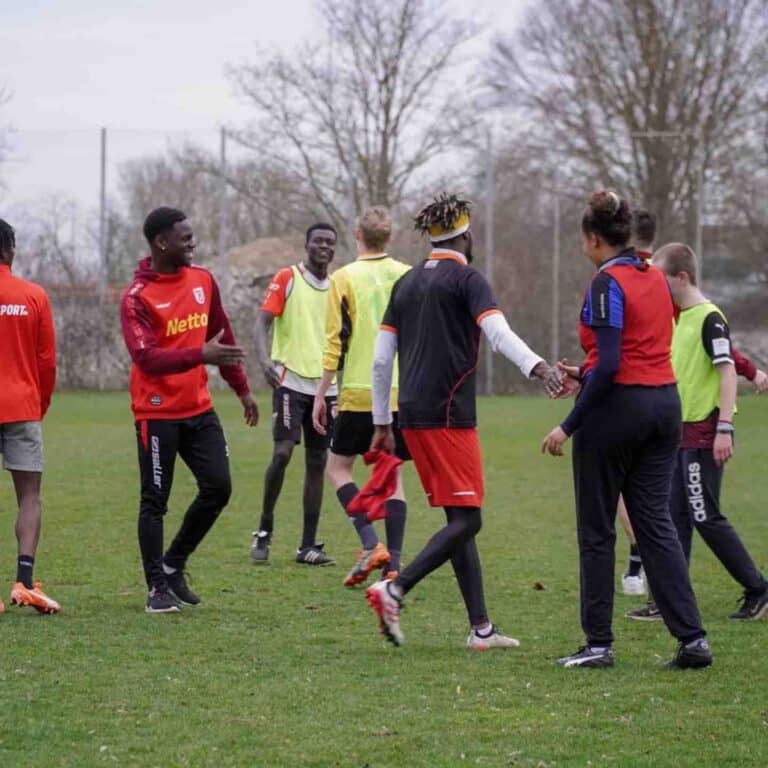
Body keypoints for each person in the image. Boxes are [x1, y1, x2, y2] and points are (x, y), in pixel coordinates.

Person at [365, 194, 561, 650]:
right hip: (450, 416)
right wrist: (539, 368)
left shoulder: (407, 283)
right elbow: (497, 333)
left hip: (410, 414)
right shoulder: (469, 279)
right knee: (469, 520)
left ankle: (481, 630)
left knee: (458, 514)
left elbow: (380, 361)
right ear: (467, 235)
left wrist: (381, 419)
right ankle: (394, 588)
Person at [542, 191, 711, 669]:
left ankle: (598, 644)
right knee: (656, 525)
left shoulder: (604, 283)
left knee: (597, 531)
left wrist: (568, 424)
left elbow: (614, 362)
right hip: (664, 406)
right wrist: (583, 373)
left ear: (593, 239)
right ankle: (693, 638)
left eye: (582, 238)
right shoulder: (654, 276)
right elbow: (636, 348)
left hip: (617, 411)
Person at [619, 210, 767, 598]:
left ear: (681, 278)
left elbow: (727, 370)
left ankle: (758, 588)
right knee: (675, 519)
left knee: (706, 517)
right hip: (679, 436)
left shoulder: (708, 318)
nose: (657, 286)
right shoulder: (678, 318)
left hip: (704, 434)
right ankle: (670, 600)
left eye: (663, 279)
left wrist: (724, 428)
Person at [120, 207, 258, 613]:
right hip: (157, 412)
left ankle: (174, 562)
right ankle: (156, 588)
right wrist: (202, 354)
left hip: (199, 408)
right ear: (162, 242)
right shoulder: (136, 298)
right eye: (185, 238)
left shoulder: (202, 280)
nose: (192, 244)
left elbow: (223, 337)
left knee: (219, 487)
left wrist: (243, 389)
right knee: (155, 500)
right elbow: (146, 358)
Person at [312, 207, 410, 587]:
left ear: (356, 234)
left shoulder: (342, 277)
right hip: (399, 392)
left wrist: (322, 393)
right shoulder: (405, 274)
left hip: (357, 391)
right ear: (389, 237)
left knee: (337, 468)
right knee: (393, 474)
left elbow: (335, 340)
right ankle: (395, 566)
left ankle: (371, 543)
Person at [250, 223, 338, 566]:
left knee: (318, 462)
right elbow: (262, 323)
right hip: (289, 381)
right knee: (283, 452)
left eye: (330, 242)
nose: (324, 247)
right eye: (318, 240)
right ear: (306, 244)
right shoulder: (288, 277)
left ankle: (307, 546)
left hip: (325, 387)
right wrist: (263, 360)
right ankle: (264, 528)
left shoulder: (338, 286)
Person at [0, 218, 59, 614]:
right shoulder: (33, 295)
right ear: (9, 249)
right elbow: (46, 361)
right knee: (30, 496)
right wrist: (41, 403)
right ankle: (24, 581)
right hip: (22, 404)